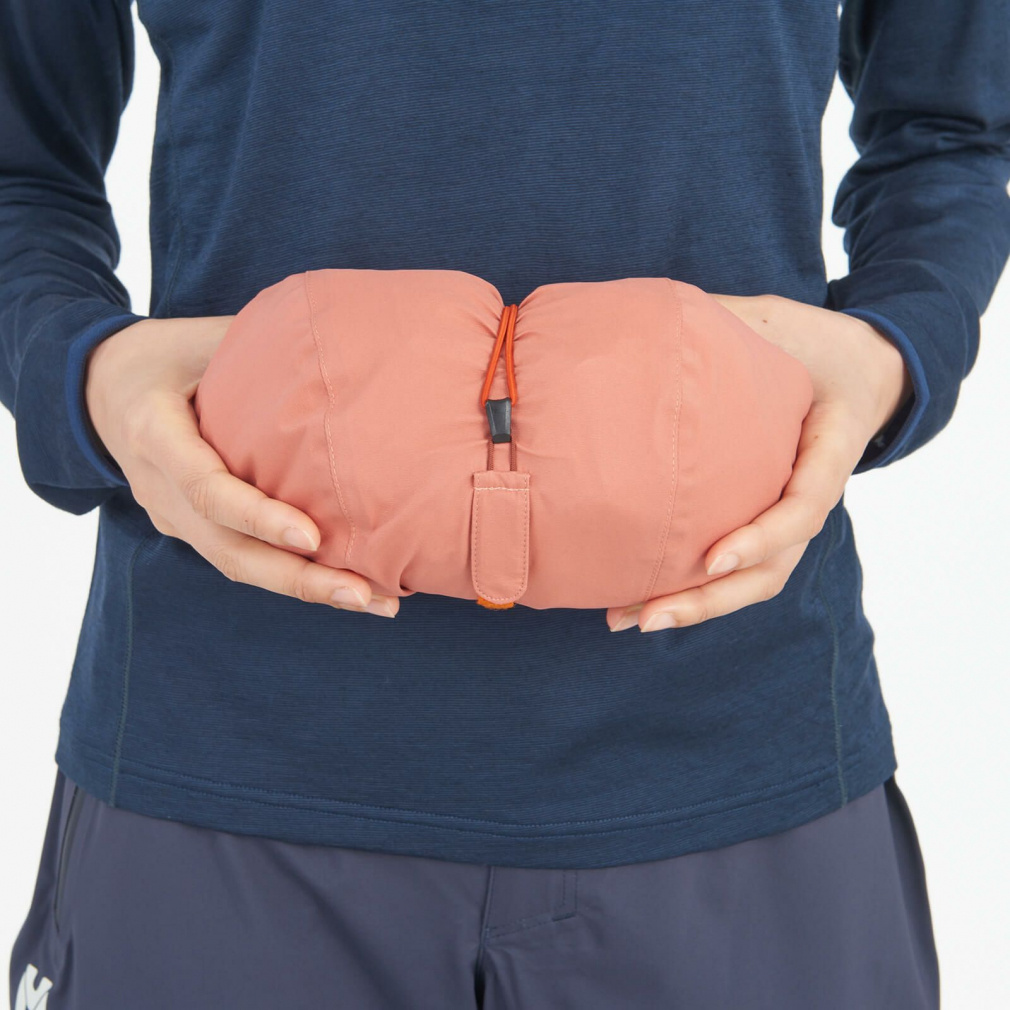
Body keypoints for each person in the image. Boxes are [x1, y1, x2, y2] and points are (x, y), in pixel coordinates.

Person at [2, 1, 1007, 1006]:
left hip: (733, 761)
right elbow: (20, 167)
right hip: (223, 767)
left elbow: (950, 131)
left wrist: (894, 345)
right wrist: (80, 367)